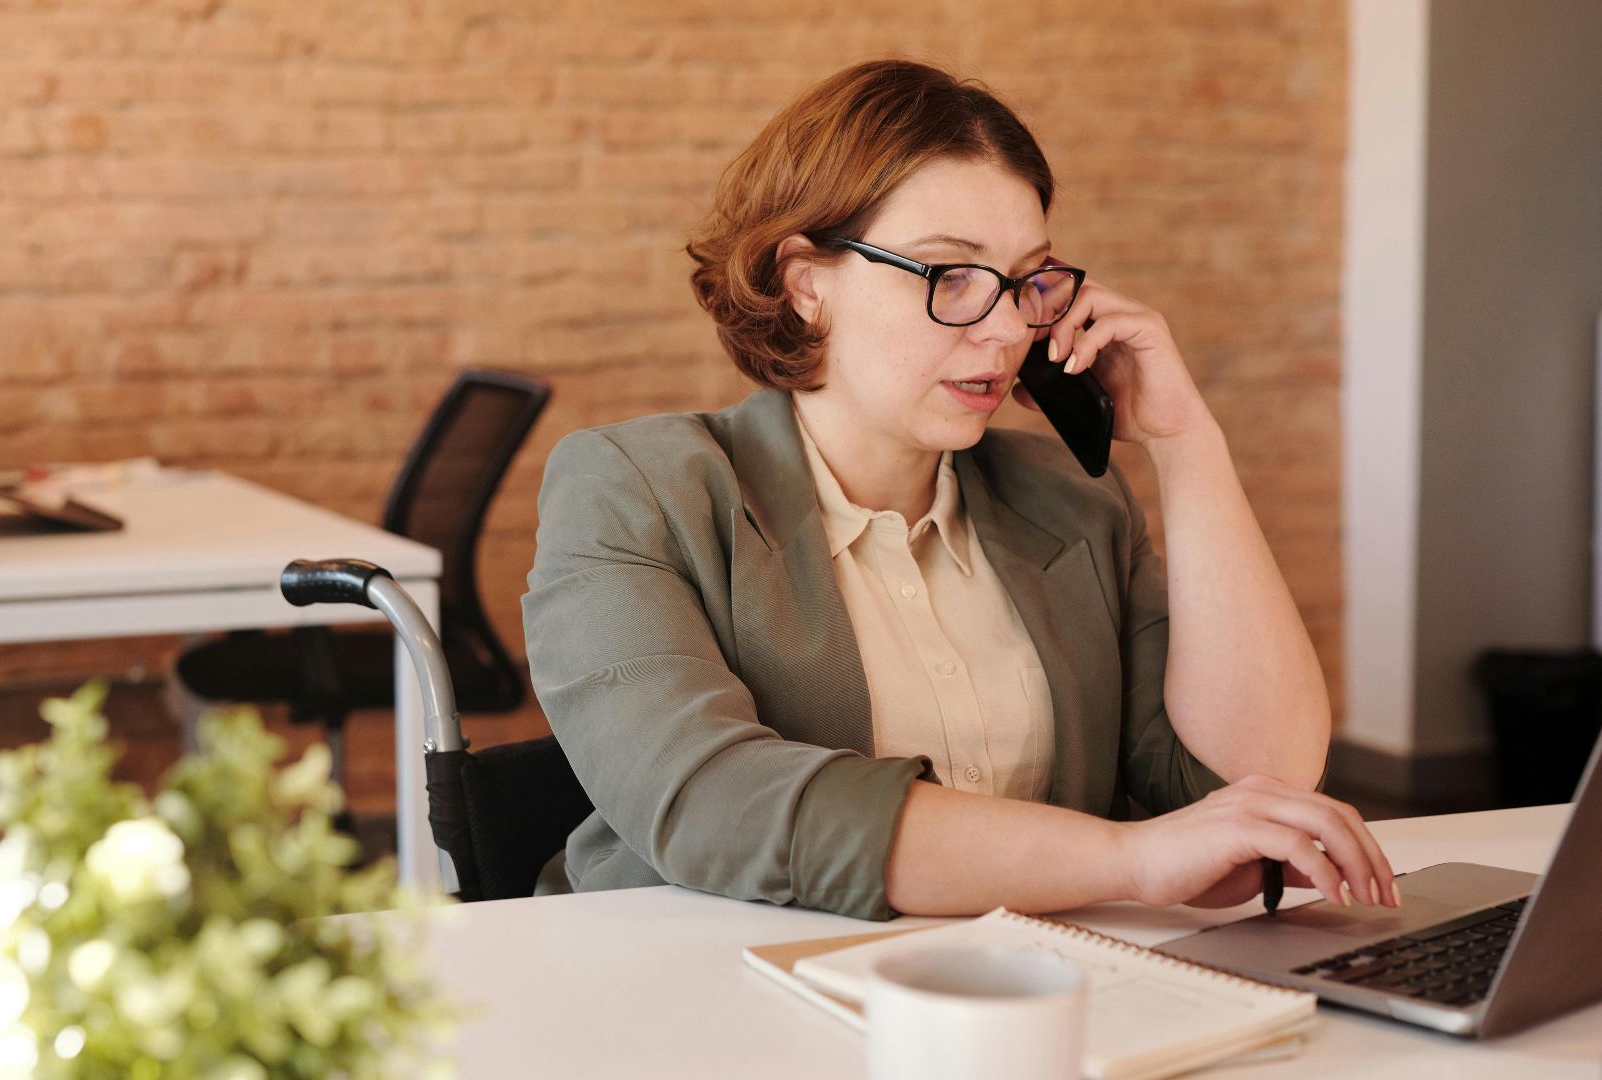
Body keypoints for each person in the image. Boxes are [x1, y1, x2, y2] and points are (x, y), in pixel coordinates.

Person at [522, 59, 1394, 921]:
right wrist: (1130, 858)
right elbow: (708, 799)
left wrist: (1184, 442)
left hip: (1017, 1001)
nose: (1011, 325)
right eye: (952, 275)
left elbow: (1256, 782)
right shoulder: (635, 488)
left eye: (1026, 279)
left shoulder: (1069, 499)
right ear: (806, 283)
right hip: (700, 997)